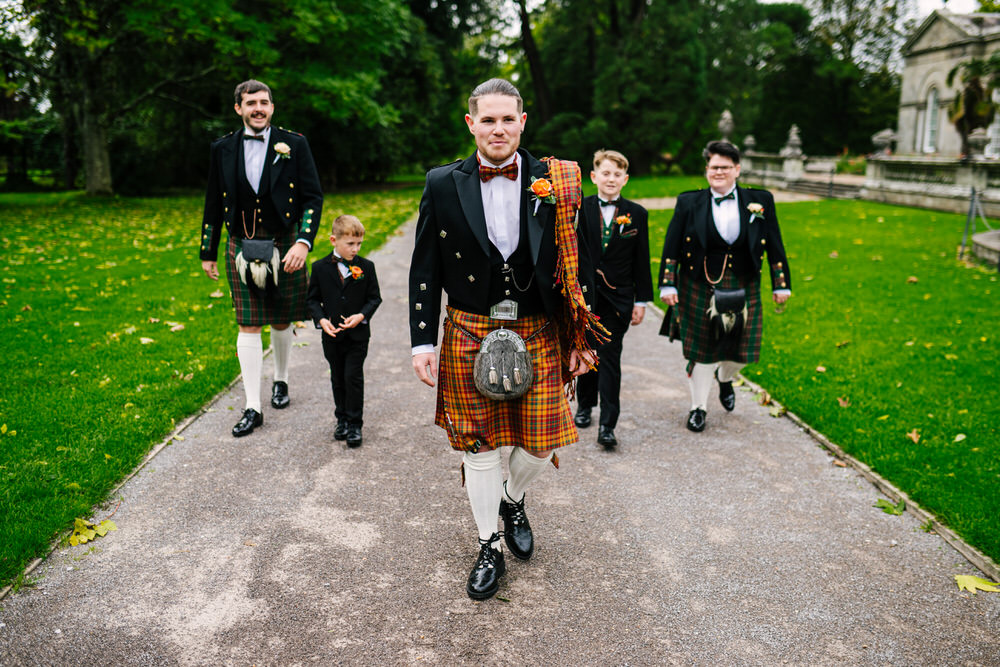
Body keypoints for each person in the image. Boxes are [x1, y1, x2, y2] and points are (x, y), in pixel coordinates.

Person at [409, 78, 601, 601]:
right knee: (480, 444)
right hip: (470, 326)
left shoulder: (556, 181)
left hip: (538, 326)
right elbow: (424, 267)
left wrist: (579, 338)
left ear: (523, 121)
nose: (498, 129)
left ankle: (512, 497)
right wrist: (422, 342)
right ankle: (488, 543)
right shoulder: (442, 183)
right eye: (487, 120)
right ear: (471, 124)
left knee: (543, 442)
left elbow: (579, 265)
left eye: (507, 119)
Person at [200, 79, 323, 437]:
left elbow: (312, 197)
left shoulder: (295, 144)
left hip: (285, 242)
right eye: (251, 102)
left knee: (282, 319)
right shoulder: (222, 148)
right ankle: (253, 406)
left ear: (272, 107)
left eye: (264, 102)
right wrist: (208, 250)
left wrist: (303, 241)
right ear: (238, 108)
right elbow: (212, 200)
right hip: (242, 243)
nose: (258, 108)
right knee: (249, 322)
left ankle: (281, 380)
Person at [658, 140, 791, 433]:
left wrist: (781, 284)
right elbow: (672, 246)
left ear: (737, 169)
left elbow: (776, 244)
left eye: (725, 167)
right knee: (702, 351)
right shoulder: (688, 202)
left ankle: (726, 377)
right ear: (707, 170)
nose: (719, 172)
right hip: (699, 283)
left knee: (743, 351)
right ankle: (698, 407)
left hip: (745, 282)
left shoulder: (761, 201)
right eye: (714, 167)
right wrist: (668, 283)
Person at [574, 149, 653, 448]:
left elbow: (641, 261)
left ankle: (608, 425)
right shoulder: (580, 208)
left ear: (626, 179)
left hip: (619, 301)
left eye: (617, 174)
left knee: (609, 359)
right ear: (594, 177)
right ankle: (584, 405)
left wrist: (641, 301)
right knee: (585, 350)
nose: (611, 179)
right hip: (585, 298)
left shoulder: (636, 214)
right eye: (605, 173)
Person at [306, 214, 382, 448]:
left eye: (359, 244)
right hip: (331, 336)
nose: (355, 249)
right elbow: (312, 300)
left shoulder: (366, 267)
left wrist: (361, 316)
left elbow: (374, 298)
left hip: (357, 336)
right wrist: (321, 320)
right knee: (337, 377)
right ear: (333, 240)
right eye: (350, 244)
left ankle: (355, 424)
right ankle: (341, 419)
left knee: (353, 376)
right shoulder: (319, 268)